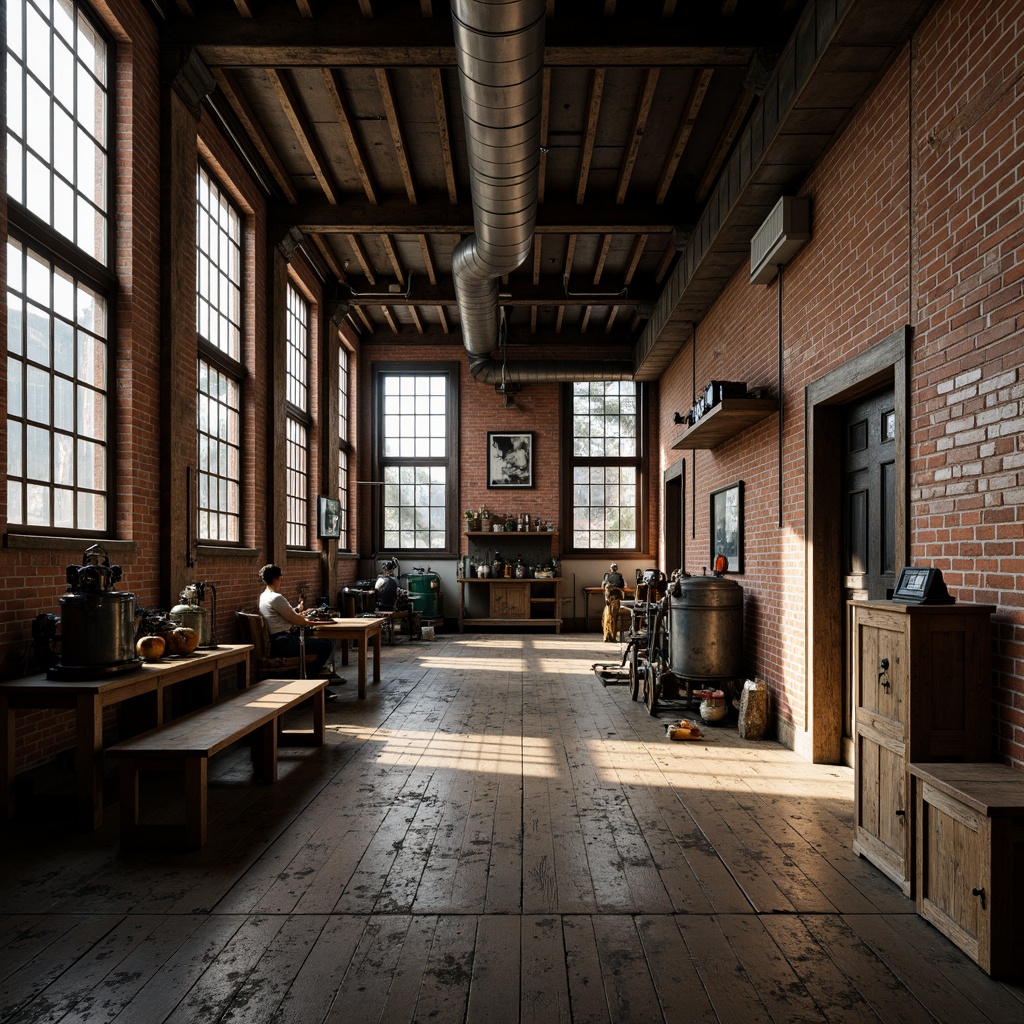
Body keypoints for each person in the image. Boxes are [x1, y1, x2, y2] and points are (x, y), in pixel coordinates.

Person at [257, 564, 339, 685]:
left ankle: (312, 681)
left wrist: (296, 610)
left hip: (276, 641)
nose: (282, 580)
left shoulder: (264, 596)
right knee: (326, 645)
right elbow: (297, 621)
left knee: (318, 643)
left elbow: (283, 614)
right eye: (280, 577)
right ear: (277, 578)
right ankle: (311, 683)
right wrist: (312, 621)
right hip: (283, 642)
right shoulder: (276, 598)